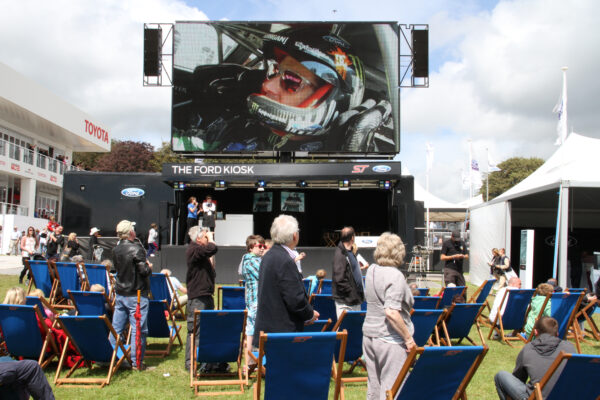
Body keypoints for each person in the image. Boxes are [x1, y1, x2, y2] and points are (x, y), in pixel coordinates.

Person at [174, 26, 396, 153]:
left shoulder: (339, 155)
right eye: (273, 71)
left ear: (332, 97)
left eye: (290, 79)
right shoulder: (236, 125)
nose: (267, 85)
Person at [362, 232, 416, 400]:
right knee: (393, 389)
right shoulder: (395, 275)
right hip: (390, 339)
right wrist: (408, 338)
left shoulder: (371, 270)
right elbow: (391, 311)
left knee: (374, 387)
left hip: (369, 336)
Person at [253, 215, 319, 348]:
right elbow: (295, 299)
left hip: (270, 329)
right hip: (283, 333)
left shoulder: (269, 256)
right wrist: (310, 314)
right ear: (295, 235)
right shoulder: (284, 260)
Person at [494, 316, 576, 400]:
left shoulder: (528, 349)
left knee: (500, 376)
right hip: (565, 395)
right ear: (557, 333)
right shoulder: (569, 348)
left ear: (535, 332)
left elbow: (518, 379)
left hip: (538, 397)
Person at [110, 220, 152, 370]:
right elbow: (144, 271)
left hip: (121, 292)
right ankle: (137, 362)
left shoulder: (115, 249)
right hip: (136, 294)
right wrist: (149, 266)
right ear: (130, 233)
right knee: (138, 329)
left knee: (116, 328)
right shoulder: (136, 249)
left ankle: (113, 357)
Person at [184, 226, 218, 371]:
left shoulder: (199, 252)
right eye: (204, 236)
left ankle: (204, 360)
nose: (208, 238)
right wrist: (210, 239)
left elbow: (212, 262)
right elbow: (212, 248)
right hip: (198, 298)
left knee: (206, 330)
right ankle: (191, 362)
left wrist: (209, 240)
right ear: (198, 238)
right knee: (195, 330)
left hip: (205, 296)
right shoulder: (194, 250)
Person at [241, 234, 265, 366]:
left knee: (250, 333)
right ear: (250, 248)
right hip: (257, 302)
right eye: (259, 246)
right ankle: (256, 363)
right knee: (258, 332)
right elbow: (266, 276)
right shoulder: (252, 261)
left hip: (253, 302)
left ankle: (250, 363)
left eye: (264, 246)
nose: (262, 248)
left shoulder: (249, 260)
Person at [332, 226, 365, 318]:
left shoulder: (350, 252)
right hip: (346, 303)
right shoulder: (340, 254)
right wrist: (352, 292)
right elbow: (339, 280)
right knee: (345, 330)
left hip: (354, 300)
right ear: (352, 238)